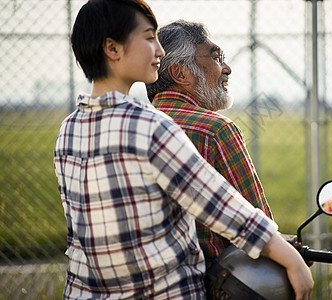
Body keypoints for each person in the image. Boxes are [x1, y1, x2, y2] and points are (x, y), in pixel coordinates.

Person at [54, 1, 313, 299]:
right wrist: (291, 258)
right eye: (149, 38)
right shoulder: (151, 127)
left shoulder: (69, 129)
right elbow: (221, 206)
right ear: (113, 49)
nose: (159, 51)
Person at [146, 20, 273, 268]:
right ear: (180, 73)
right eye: (217, 58)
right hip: (211, 281)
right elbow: (260, 228)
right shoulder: (216, 130)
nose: (227, 68)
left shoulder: (133, 126)